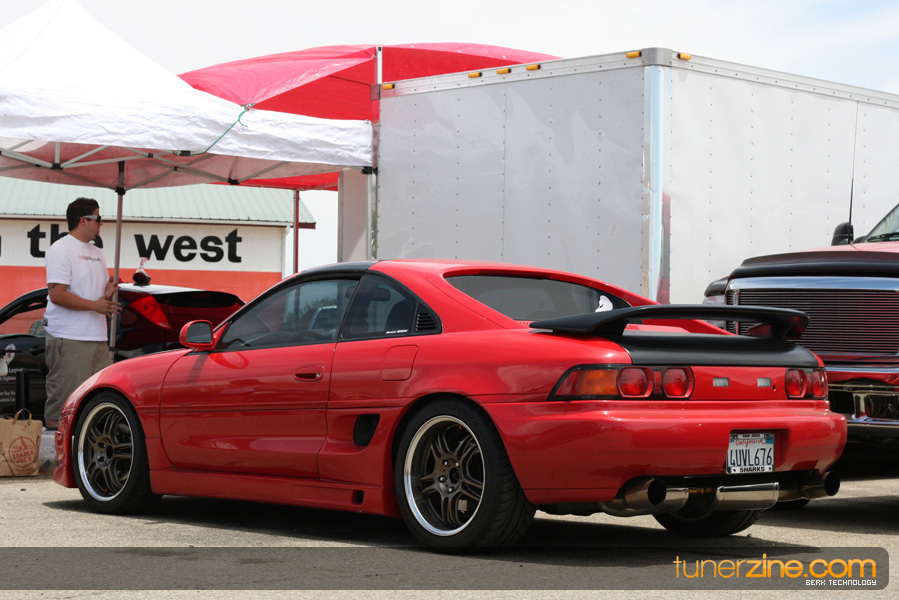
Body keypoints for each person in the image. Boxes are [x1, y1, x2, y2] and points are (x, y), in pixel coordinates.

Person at [43, 198, 120, 428]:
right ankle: (54, 450)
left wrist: (107, 295)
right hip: (69, 337)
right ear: (83, 220)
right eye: (98, 218)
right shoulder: (60, 249)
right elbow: (57, 295)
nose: (101, 223)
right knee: (64, 407)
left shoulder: (98, 252)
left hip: (97, 337)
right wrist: (96, 306)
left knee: (98, 403)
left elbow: (94, 298)